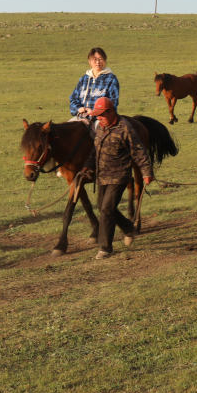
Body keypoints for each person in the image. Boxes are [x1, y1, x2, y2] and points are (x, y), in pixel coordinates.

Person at [79, 97, 152, 259]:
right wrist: (88, 165)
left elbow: (139, 151)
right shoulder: (101, 127)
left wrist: (146, 172)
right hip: (102, 175)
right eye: (97, 115)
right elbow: (95, 149)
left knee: (106, 209)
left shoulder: (125, 128)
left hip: (119, 175)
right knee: (103, 206)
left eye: (102, 114)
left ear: (111, 111)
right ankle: (128, 227)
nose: (99, 118)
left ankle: (105, 248)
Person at [69, 47, 120, 121]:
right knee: (67, 126)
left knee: (99, 128)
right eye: (94, 59)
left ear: (105, 60)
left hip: (101, 118)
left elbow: (113, 102)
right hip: (81, 117)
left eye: (100, 59)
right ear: (89, 61)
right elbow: (73, 98)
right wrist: (79, 108)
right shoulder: (83, 79)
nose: (97, 62)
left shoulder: (111, 79)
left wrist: (94, 112)